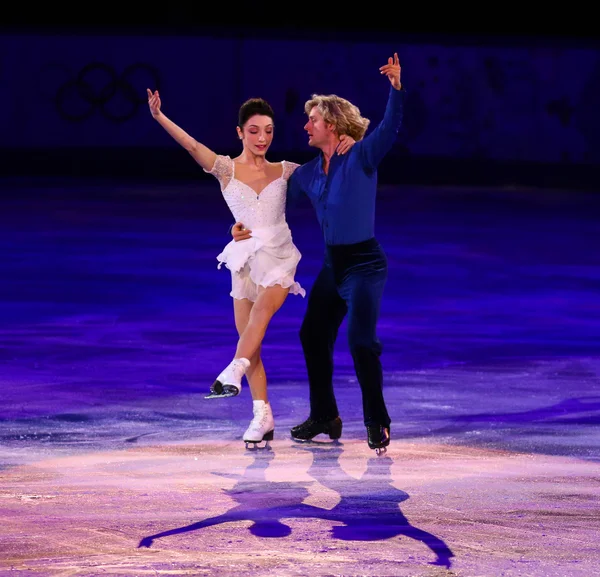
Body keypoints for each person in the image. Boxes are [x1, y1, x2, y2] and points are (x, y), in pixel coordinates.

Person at [146, 88, 355, 446]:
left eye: (270, 130)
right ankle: (262, 415)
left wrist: (348, 139)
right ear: (240, 132)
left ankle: (233, 369)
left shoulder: (286, 171)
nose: (263, 138)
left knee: (260, 317)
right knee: (250, 343)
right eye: (255, 130)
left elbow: (328, 165)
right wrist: (159, 117)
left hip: (278, 255)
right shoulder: (226, 169)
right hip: (243, 260)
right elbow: (192, 145)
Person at [231, 53, 405, 453]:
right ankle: (325, 416)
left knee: (361, 342)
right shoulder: (307, 173)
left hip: (364, 265)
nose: (305, 125)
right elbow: (267, 202)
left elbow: (389, 128)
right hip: (333, 266)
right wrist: (241, 227)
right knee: (312, 333)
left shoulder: (361, 156)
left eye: (313, 120)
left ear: (333, 125)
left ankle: (377, 421)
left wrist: (395, 88)